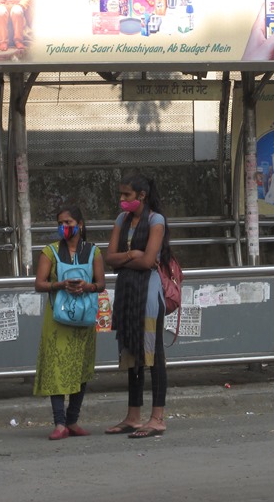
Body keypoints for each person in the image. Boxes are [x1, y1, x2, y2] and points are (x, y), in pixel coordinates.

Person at [103, 174, 171, 439]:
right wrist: (133, 254)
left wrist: (126, 260)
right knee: (131, 352)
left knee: (153, 353)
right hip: (127, 291)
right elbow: (109, 258)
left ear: (141, 196)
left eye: (126, 195)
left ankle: (157, 417)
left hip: (149, 293)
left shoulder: (156, 221)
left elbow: (149, 263)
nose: (122, 200)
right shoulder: (121, 220)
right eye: (120, 195)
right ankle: (133, 416)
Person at [33, 204, 105, 440]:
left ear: (80, 225)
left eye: (69, 223)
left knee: (81, 368)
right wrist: (61, 285)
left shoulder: (93, 251)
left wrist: (88, 287)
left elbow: (101, 284)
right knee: (56, 368)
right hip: (57, 320)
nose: (64, 227)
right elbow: (39, 283)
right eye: (61, 223)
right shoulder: (49, 251)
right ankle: (59, 422)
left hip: (84, 319)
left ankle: (72, 420)